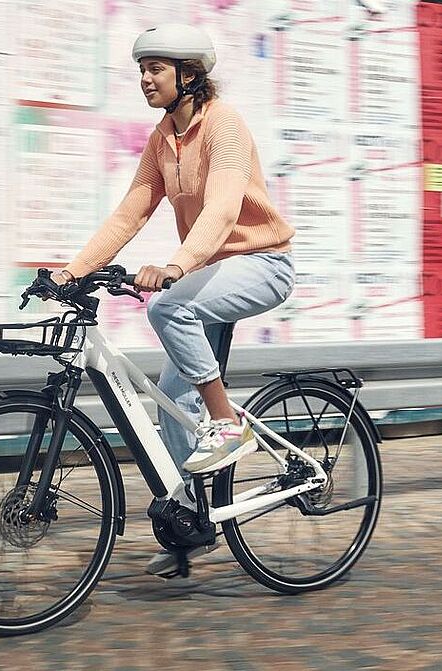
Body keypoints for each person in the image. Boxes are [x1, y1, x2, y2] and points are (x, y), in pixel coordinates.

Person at [49, 24, 296, 575]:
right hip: (209, 276)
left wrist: (176, 267)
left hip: (260, 264)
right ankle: (192, 527)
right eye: (141, 69)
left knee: (166, 306)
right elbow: (130, 212)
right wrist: (71, 272)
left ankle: (229, 424)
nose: (144, 79)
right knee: (169, 406)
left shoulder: (224, 125)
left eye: (155, 69)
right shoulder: (163, 137)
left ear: (189, 76)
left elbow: (224, 211)